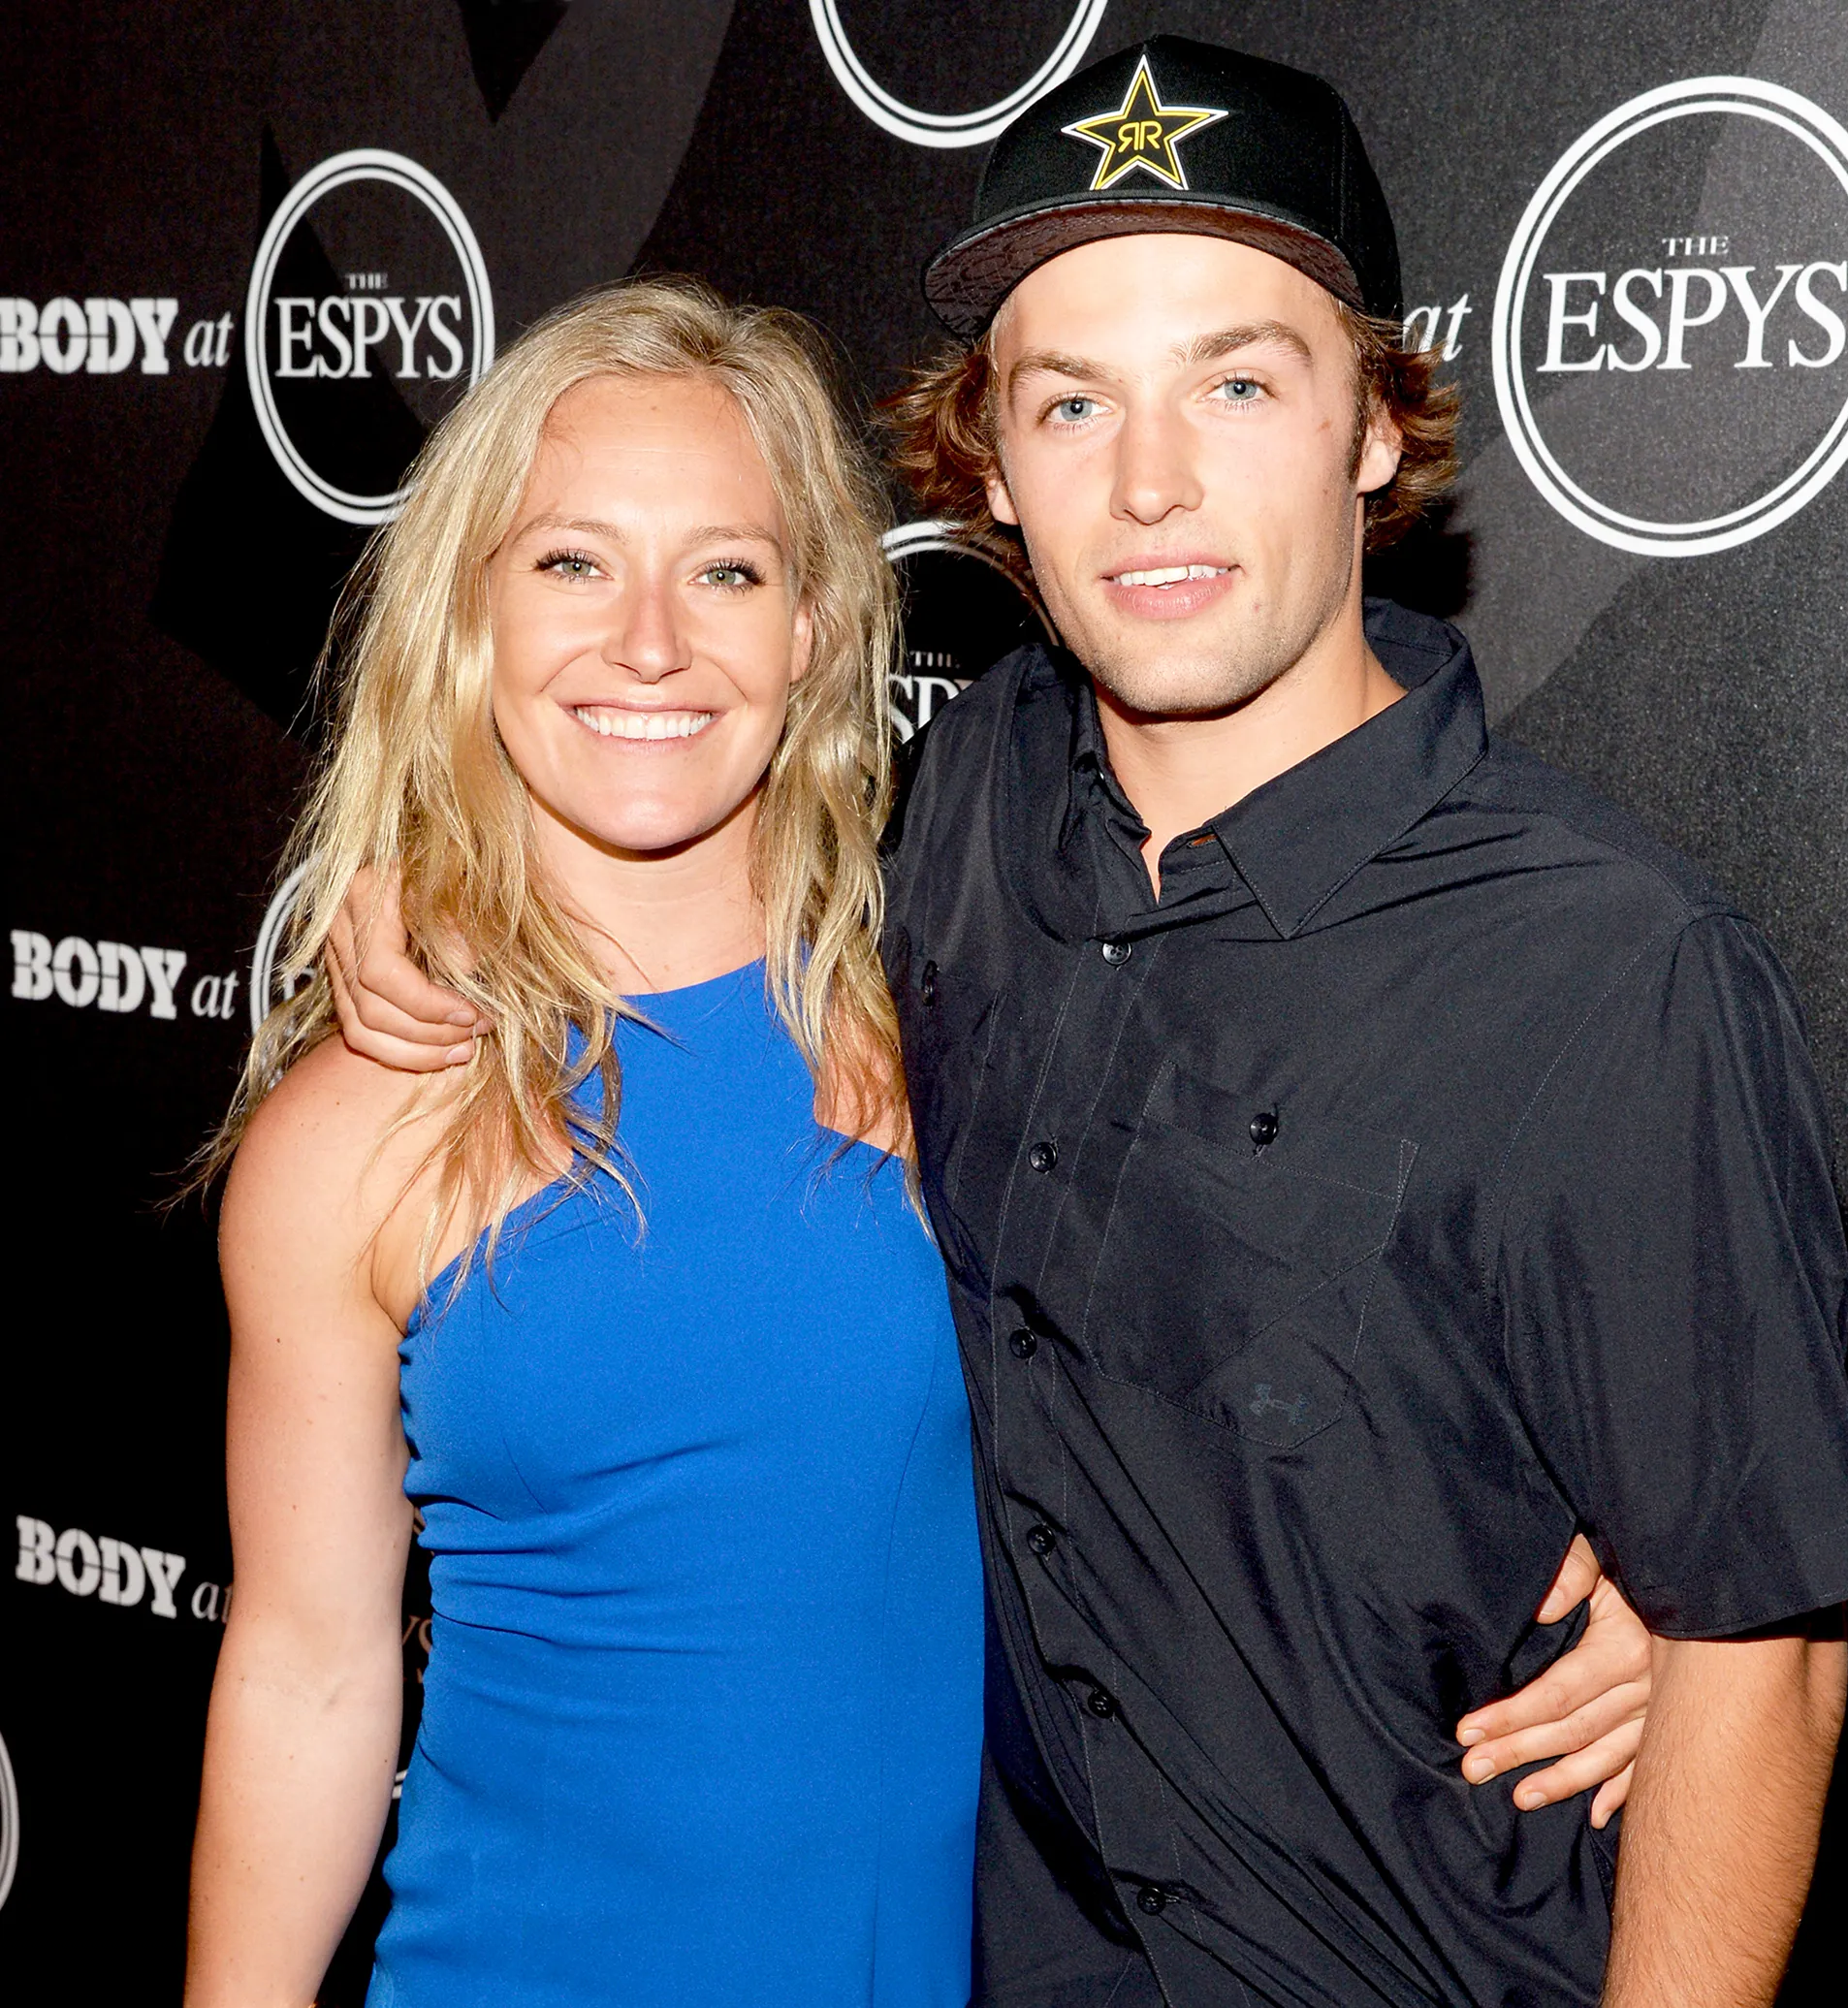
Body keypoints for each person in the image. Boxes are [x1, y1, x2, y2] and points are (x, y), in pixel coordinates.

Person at [318, 48, 1735, 1995]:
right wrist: (431, 889)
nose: (1149, 479)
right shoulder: (974, 814)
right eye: (1074, 402)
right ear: (989, 465)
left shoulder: (1605, 962)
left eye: (1236, 384)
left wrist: (1711, 1619)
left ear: (1373, 428)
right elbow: (677, 863)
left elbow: (1764, 1636)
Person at [185, 278, 986, 2008]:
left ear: (816, 628)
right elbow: (309, 1669)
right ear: (470, 615)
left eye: (726, 571)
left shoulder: (959, 1043)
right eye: (571, 562)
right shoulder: (359, 1130)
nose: (649, 643)